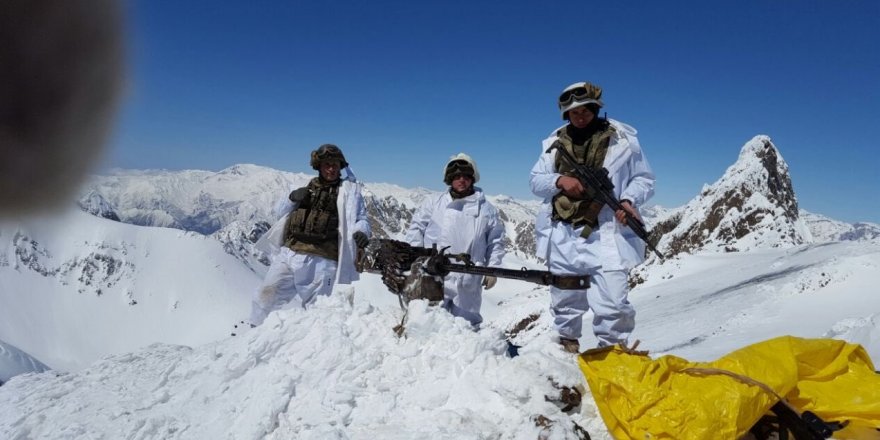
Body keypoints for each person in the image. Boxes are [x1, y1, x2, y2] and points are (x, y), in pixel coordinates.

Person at [529, 82, 655, 353]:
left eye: (585, 110)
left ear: (595, 109)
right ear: (566, 114)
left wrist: (628, 200)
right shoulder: (554, 143)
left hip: (606, 232)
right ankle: (566, 350)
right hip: (563, 233)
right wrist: (560, 180)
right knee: (565, 298)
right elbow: (536, 181)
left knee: (614, 303)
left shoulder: (623, 141)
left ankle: (612, 358)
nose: (580, 116)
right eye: (574, 112)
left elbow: (644, 179)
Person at [249, 144, 371, 326]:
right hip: (290, 253)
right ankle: (254, 334)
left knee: (318, 311)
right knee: (266, 295)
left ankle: (315, 349)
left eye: (335, 165)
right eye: (327, 164)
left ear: (340, 167)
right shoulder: (305, 187)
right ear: (319, 166)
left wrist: (362, 231)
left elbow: (361, 218)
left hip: (322, 260)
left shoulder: (349, 192)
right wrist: (291, 198)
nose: (331, 169)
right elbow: (278, 213)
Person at [405, 153, 506, 327]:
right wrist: (417, 258)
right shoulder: (433, 202)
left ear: (473, 179)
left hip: (468, 278)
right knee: (429, 324)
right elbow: (416, 229)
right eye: (457, 176)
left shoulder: (487, 210)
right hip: (433, 274)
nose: (461, 180)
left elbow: (496, 241)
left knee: (466, 329)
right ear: (449, 179)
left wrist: (492, 269)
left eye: (466, 176)